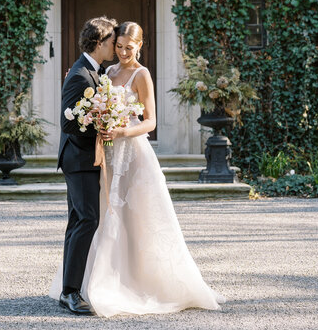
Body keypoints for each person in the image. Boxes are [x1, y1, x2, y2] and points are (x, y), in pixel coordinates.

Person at [52, 20, 225, 317]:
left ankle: (132, 282)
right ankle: (77, 288)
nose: (121, 52)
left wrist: (119, 131)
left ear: (140, 46)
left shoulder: (141, 74)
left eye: (127, 47)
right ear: (106, 43)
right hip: (103, 155)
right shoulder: (104, 72)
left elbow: (150, 121)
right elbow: (80, 113)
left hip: (130, 151)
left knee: (134, 217)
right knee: (97, 218)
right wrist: (103, 124)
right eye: (117, 46)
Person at [53, 15, 117, 316]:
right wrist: (101, 131)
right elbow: (69, 123)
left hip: (83, 159)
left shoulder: (95, 71)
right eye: (111, 42)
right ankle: (70, 293)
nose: (115, 47)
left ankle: (68, 288)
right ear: (99, 42)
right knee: (88, 219)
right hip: (78, 160)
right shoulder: (80, 75)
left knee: (78, 221)